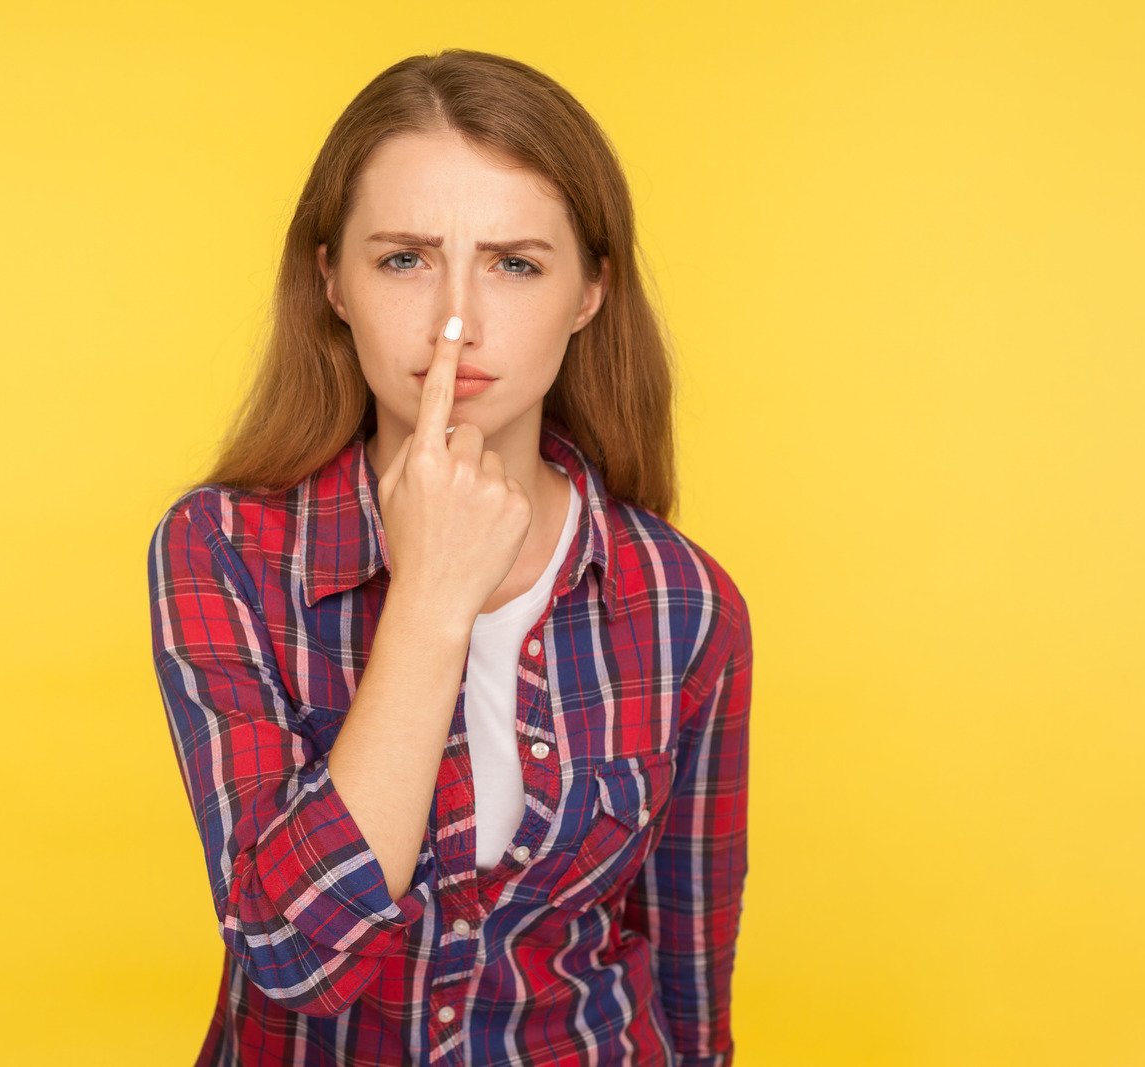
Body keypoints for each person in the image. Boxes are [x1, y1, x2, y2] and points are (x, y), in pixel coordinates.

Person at [147, 48, 752, 1066]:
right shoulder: (222, 549)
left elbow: (693, 979)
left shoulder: (684, 602)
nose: (455, 322)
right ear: (330, 276)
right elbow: (290, 949)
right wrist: (430, 594)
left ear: (590, 292)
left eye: (515, 262)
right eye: (404, 259)